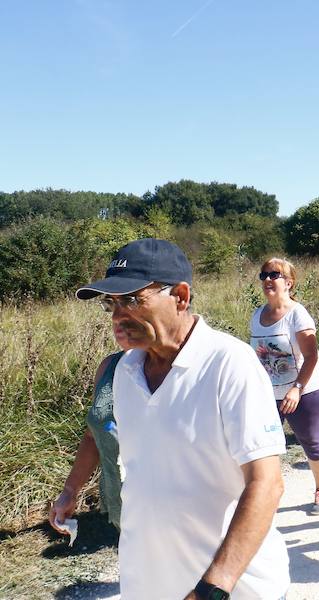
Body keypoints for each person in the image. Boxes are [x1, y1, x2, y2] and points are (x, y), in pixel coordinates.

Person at [76, 239, 289, 599]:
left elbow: (267, 484)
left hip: (234, 587)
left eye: (131, 300)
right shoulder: (125, 372)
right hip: (149, 585)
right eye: (111, 303)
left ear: (181, 296)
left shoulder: (229, 364)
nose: (117, 316)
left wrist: (212, 588)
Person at [250, 257, 319, 514]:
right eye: (264, 275)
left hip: (304, 391)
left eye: (274, 275)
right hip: (268, 394)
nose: (268, 280)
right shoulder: (257, 315)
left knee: (309, 440)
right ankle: (267, 493)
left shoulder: (297, 314)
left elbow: (312, 356)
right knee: (264, 444)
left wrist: (296, 388)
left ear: (289, 282)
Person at [49, 343, 132, 534]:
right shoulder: (109, 367)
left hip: (171, 509)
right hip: (120, 502)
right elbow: (93, 436)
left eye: (133, 311)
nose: (118, 318)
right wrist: (70, 491)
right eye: (112, 311)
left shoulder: (180, 370)